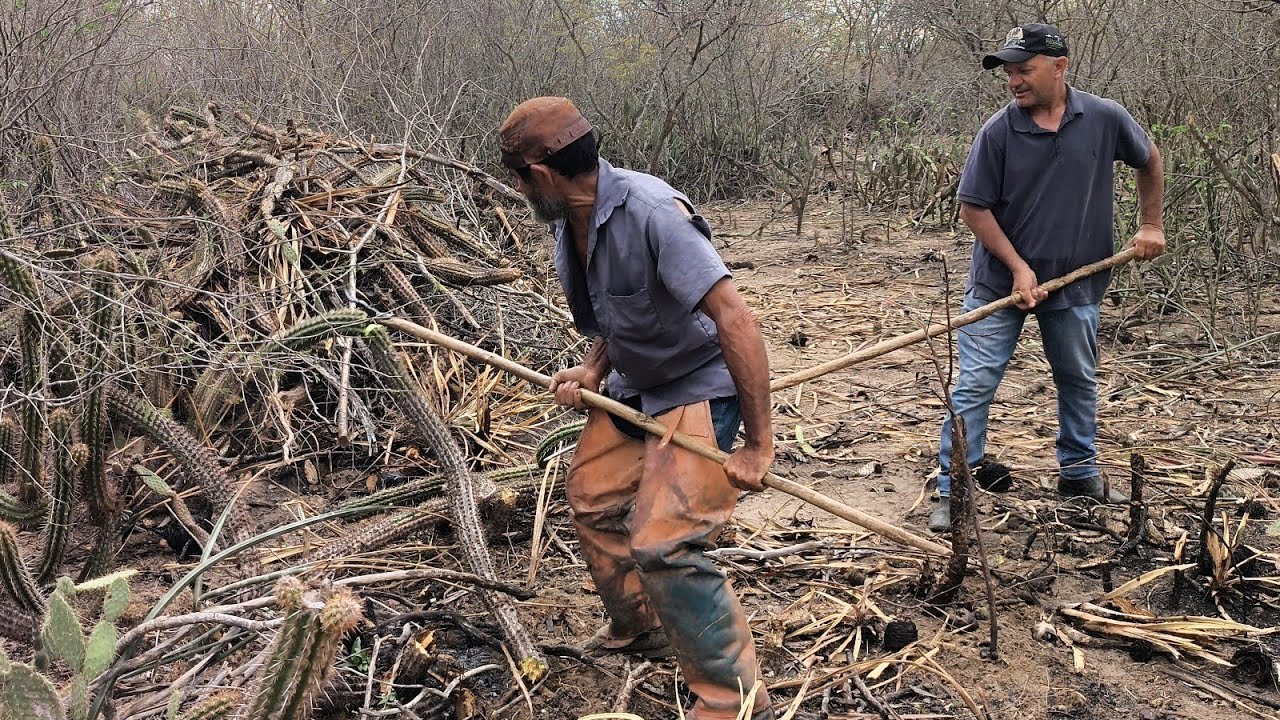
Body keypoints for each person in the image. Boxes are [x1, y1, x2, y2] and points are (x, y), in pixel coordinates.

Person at [497, 97, 775, 720]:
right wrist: (594, 368)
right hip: (635, 383)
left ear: (540, 173)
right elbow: (619, 309)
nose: (516, 193)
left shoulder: (652, 212)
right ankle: (641, 626)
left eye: (516, 179)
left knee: (666, 542)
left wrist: (757, 444)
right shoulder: (573, 216)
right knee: (592, 495)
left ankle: (733, 699)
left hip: (696, 382)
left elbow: (735, 318)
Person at [928, 23, 1166, 532]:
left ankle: (1079, 473)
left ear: (1059, 67)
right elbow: (974, 208)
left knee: (1078, 379)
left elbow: (1149, 160)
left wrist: (1151, 224)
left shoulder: (1104, 118)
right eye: (1008, 73)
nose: (1013, 81)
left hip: (1076, 282)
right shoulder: (998, 132)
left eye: (1023, 70)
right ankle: (953, 487)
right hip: (999, 284)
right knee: (974, 384)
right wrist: (1018, 268)